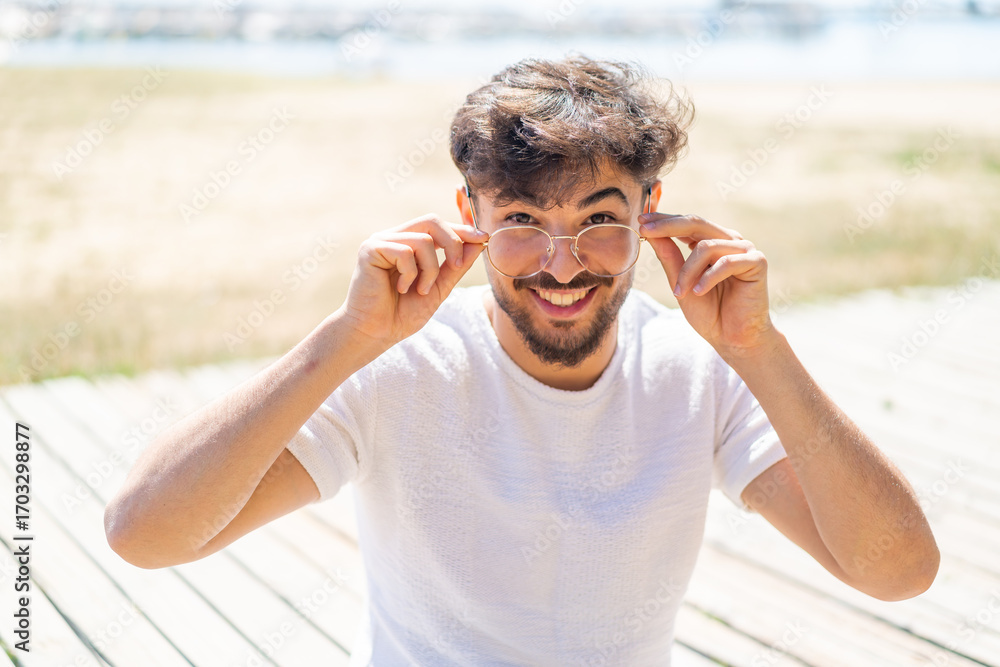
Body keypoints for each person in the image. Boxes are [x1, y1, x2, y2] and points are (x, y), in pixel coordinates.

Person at [105, 55, 939, 665]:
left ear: (650, 210)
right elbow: (145, 534)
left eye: (599, 220)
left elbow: (897, 571)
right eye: (523, 222)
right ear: (469, 213)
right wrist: (346, 338)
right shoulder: (396, 368)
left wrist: (762, 350)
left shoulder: (697, 372)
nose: (561, 265)